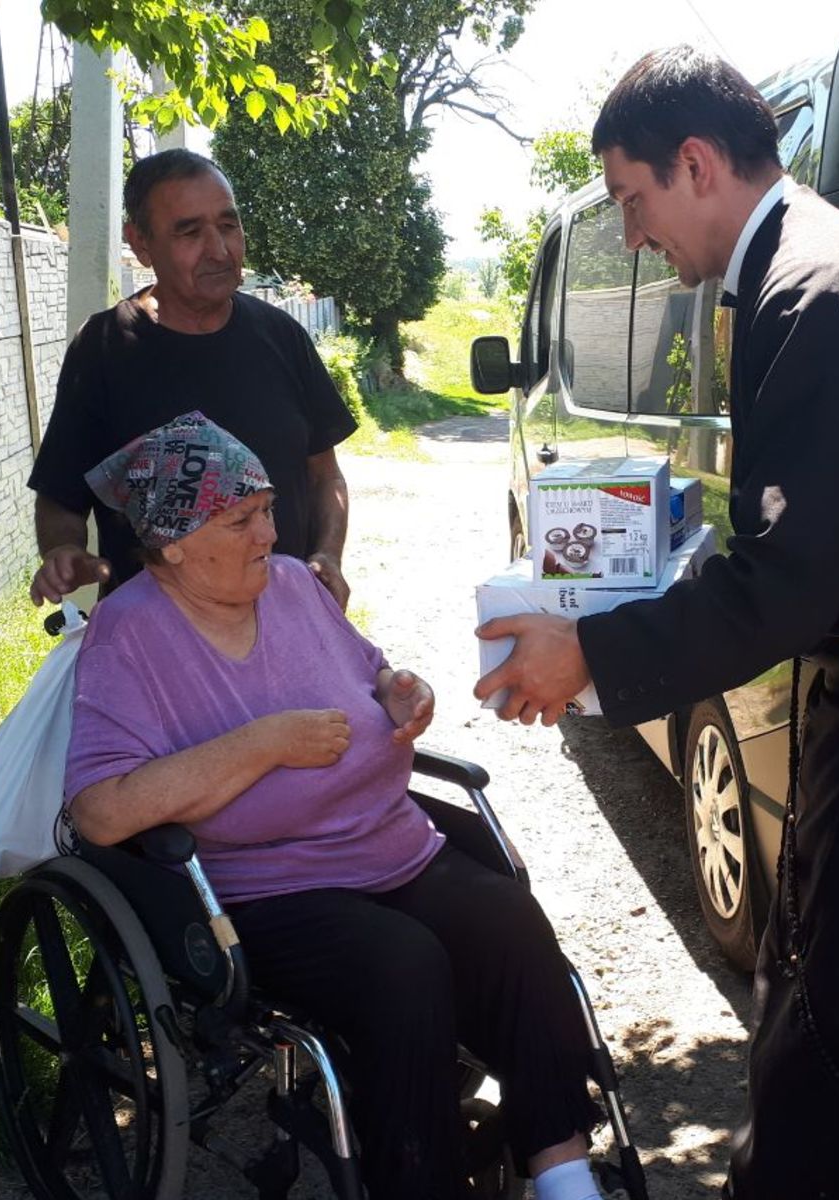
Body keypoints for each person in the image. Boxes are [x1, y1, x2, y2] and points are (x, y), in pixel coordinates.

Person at [474, 49, 839, 1198]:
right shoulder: (800, 271)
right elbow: (804, 550)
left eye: (634, 201)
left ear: (695, 164)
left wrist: (588, 653)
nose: (635, 237)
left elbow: (787, 581)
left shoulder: (818, 288)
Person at [65, 412, 605, 1200]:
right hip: (264, 891)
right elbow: (102, 813)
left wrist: (399, 692)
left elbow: (368, 671)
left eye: (270, 510)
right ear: (173, 541)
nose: (268, 534)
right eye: (242, 518)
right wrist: (263, 744)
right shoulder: (130, 633)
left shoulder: (290, 585)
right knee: (403, 967)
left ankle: (567, 1178)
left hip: (389, 844)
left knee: (511, 926)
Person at [27, 149, 357, 611]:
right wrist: (62, 550)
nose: (220, 251)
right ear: (140, 243)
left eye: (228, 225)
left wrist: (327, 556)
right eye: (189, 231)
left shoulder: (283, 337)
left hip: (289, 627)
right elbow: (61, 495)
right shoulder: (104, 349)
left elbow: (326, 476)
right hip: (157, 650)